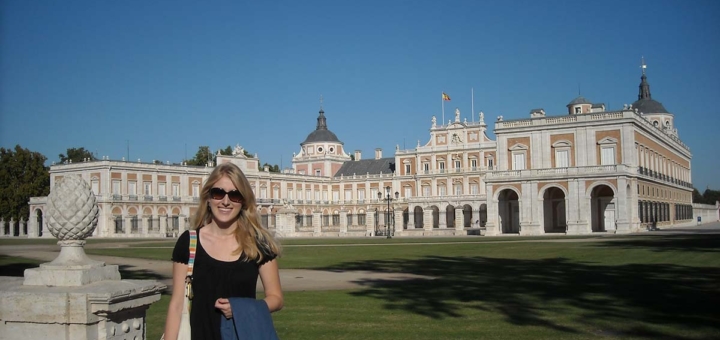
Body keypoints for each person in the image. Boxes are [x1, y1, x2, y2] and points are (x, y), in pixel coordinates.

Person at [163, 162, 283, 340]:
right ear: (208, 197)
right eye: (218, 193)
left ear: (243, 201)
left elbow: (276, 298)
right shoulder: (188, 242)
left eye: (235, 195)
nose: (225, 201)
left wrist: (240, 309)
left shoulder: (258, 244)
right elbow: (177, 304)